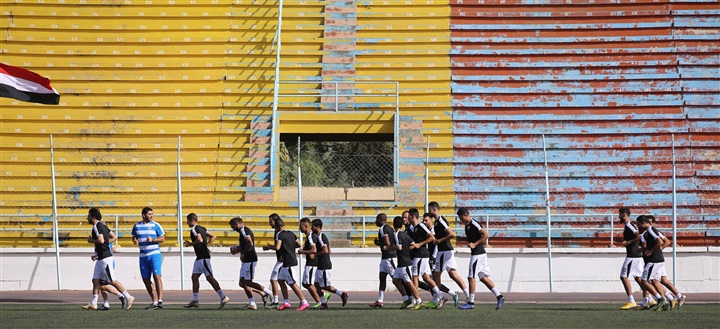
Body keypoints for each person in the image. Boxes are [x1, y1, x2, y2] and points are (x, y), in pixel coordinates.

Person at [82, 207, 135, 311]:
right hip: (101, 258)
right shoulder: (104, 226)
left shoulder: (97, 226)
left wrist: (91, 240)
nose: (87, 217)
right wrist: (103, 248)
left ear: (93, 216)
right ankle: (93, 303)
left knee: (111, 280)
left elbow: (101, 240)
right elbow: (114, 237)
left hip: (105, 258)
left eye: (89, 215)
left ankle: (128, 297)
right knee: (95, 280)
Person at [456, 208, 506, 310]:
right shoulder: (467, 225)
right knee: (483, 277)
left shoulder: (474, 223)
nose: (461, 221)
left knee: (471, 277)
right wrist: (463, 240)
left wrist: (475, 244)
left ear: (466, 215)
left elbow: (486, 235)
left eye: (462, 218)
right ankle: (499, 296)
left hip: (478, 254)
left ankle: (471, 302)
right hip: (479, 254)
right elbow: (473, 238)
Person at [181, 213, 230, 309]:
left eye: (187, 221)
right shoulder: (202, 228)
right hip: (199, 258)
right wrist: (206, 245)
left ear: (191, 220)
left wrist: (190, 244)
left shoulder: (194, 229)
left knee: (210, 278)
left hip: (203, 258)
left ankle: (223, 297)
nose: (187, 223)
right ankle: (195, 300)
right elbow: (213, 236)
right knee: (194, 277)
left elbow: (199, 239)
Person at [428, 201, 469, 307]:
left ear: (434, 209)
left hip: (444, 251)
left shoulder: (441, 220)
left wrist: (439, 241)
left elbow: (451, 234)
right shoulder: (437, 222)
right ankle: (468, 295)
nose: (429, 212)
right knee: (453, 275)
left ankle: (437, 298)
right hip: (446, 251)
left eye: (429, 210)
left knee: (436, 275)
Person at [230, 216, 274, 310]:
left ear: (236, 224)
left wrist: (243, 254)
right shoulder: (244, 231)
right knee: (242, 282)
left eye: (233, 227)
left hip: (249, 259)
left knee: (247, 282)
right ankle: (253, 303)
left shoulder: (243, 230)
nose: (233, 229)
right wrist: (238, 249)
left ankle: (269, 293)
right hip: (247, 260)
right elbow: (246, 244)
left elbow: (250, 243)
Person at [646, 215, 686, 309]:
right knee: (662, 280)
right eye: (648, 222)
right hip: (658, 260)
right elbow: (666, 241)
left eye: (651, 222)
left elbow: (667, 242)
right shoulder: (648, 232)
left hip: (655, 260)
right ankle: (677, 296)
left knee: (652, 281)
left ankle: (663, 300)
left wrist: (656, 250)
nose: (649, 224)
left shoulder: (653, 231)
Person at [131, 206, 165, 310]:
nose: (151, 216)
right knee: (146, 279)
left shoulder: (155, 225)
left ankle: (160, 300)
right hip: (143, 255)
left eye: (152, 214)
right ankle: (154, 301)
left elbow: (163, 238)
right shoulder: (136, 226)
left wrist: (153, 239)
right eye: (149, 214)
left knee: (156, 276)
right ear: (144, 215)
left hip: (154, 253)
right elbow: (134, 236)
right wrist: (135, 240)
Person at [273, 217, 310, 311]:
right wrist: (290, 247)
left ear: (276, 227)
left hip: (289, 262)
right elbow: (299, 244)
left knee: (292, 283)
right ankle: (286, 302)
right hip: (288, 261)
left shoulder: (279, 234)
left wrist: (268, 247)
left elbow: (277, 247)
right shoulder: (291, 233)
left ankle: (304, 301)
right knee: (280, 280)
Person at [408, 209, 442, 309]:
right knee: (426, 278)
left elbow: (431, 237)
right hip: (421, 255)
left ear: (413, 216)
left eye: (409, 216)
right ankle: (441, 296)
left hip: (420, 255)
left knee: (415, 277)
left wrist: (420, 244)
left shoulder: (420, 226)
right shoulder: (414, 228)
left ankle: (417, 300)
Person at [312, 218, 350, 309]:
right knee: (317, 284)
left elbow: (325, 250)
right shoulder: (320, 237)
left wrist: (315, 255)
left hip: (324, 265)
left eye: (312, 226)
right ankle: (323, 303)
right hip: (321, 265)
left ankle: (342, 294)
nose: (311, 228)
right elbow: (329, 250)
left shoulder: (321, 237)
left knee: (325, 286)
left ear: (317, 226)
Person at [637, 216, 672, 311]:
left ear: (644, 223)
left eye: (639, 224)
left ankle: (660, 299)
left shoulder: (651, 230)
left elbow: (660, 241)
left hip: (654, 260)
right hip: (657, 260)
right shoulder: (651, 230)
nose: (638, 226)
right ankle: (665, 303)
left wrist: (651, 251)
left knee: (644, 281)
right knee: (654, 281)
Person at [388, 216, 422, 309]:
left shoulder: (397, 234)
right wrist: (406, 250)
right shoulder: (405, 234)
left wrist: (389, 247)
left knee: (409, 283)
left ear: (393, 225)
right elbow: (413, 244)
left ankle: (419, 301)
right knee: (395, 280)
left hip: (404, 263)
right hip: (401, 263)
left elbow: (399, 247)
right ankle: (406, 298)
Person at [617, 207, 644, 310]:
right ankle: (650, 298)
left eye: (619, 214)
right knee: (639, 278)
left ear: (623, 214)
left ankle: (631, 301)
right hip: (635, 255)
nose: (618, 217)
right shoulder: (628, 226)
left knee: (623, 276)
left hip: (632, 255)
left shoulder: (629, 225)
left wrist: (628, 242)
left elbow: (638, 235)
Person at [369, 213, 396, 308]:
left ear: (380, 220)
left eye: (377, 219)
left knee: (397, 280)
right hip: (385, 258)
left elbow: (387, 243)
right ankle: (380, 300)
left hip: (389, 258)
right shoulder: (390, 228)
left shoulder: (383, 229)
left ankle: (409, 297)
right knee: (382, 278)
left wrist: (378, 243)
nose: (375, 221)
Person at [297, 217, 323, 309]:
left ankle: (319, 301)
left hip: (312, 263)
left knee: (307, 283)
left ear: (306, 225)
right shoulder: (309, 236)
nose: (300, 228)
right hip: (310, 262)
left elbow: (313, 249)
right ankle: (322, 297)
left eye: (301, 226)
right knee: (306, 283)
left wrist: (302, 252)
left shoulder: (310, 236)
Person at [262, 213, 283, 307]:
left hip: (282, 261)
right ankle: (277, 300)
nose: (269, 223)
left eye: (271, 221)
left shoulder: (279, 233)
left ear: (275, 221)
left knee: (273, 279)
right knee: (286, 281)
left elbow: (278, 247)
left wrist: (270, 247)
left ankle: (275, 301)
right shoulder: (278, 232)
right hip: (282, 260)